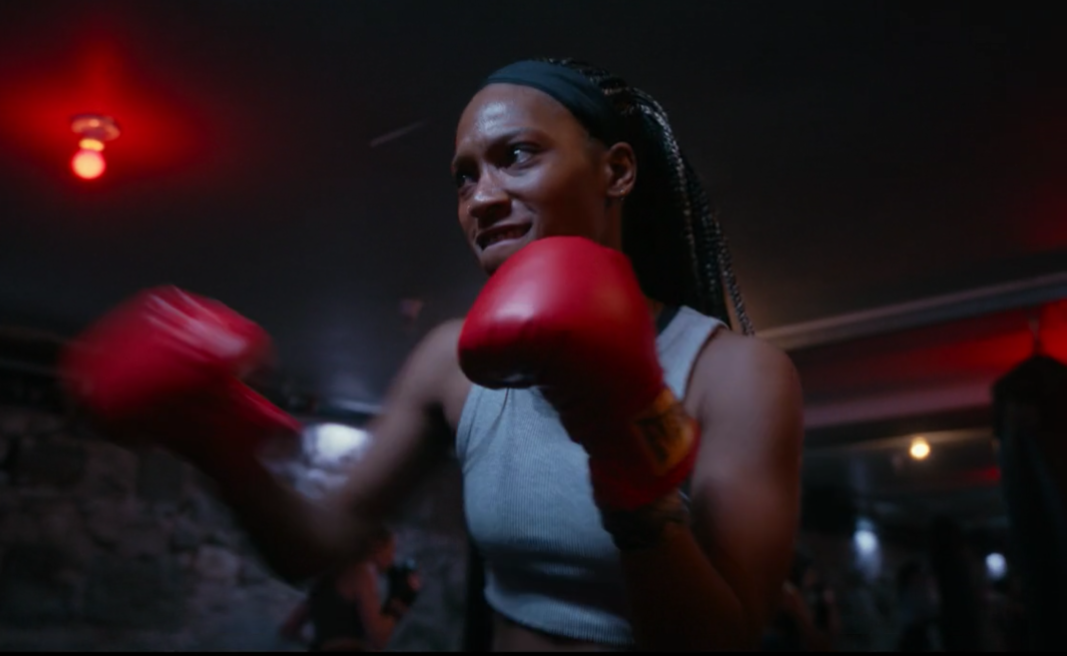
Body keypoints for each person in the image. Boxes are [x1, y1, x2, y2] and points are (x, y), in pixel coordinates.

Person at [60, 57, 804, 651]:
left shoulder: (735, 374)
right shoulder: (451, 361)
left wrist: (630, 467)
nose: (481, 198)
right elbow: (318, 546)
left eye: (516, 156)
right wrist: (212, 436)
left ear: (616, 171)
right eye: (465, 176)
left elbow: (728, 638)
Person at [278, 528, 421, 651]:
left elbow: (289, 628)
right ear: (377, 547)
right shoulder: (364, 571)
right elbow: (378, 640)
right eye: (391, 551)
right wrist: (401, 601)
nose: (392, 559)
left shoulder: (327, 575)